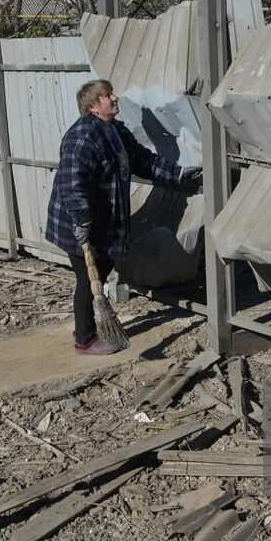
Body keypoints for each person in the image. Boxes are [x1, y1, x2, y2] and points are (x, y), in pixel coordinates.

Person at [47, 79, 202, 354]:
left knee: (101, 271)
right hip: (77, 222)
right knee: (87, 278)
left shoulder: (115, 130)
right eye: (108, 96)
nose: (115, 98)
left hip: (101, 221)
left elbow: (142, 159)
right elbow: (72, 182)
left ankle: (87, 324)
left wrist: (176, 173)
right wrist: (81, 219)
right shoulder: (82, 137)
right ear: (94, 106)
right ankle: (85, 339)